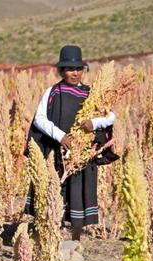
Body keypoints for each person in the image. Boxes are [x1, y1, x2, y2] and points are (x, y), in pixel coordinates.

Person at [26, 45, 117, 242]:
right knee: (53, 190)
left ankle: (76, 238)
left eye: (78, 69)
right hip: (56, 151)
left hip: (81, 154)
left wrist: (94, 123)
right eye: (69, 69)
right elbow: (39, 120)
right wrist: (61, 137)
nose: (74, 73)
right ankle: (52, 232)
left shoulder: (92, 93)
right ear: (61, 71)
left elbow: (110, 116)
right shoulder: (52, 92)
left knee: (79, 191)